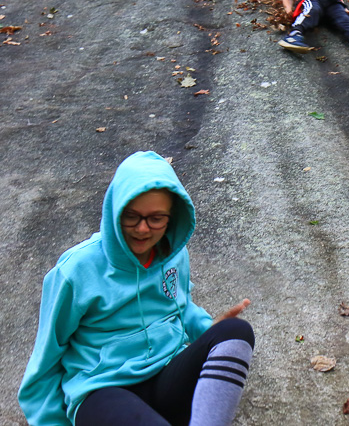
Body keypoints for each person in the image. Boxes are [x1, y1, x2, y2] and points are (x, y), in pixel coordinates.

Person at [18, 151, 254, 426]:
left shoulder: (173, 254)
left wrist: (206, 328)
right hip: (102, 391)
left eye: (156, 218)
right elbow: (46, 356)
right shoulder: (76, 270)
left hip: (165, 376)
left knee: (236, 332)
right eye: (131, 216)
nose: (143, 229)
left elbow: (180, 304)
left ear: (171, 217)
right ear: (114, 210)